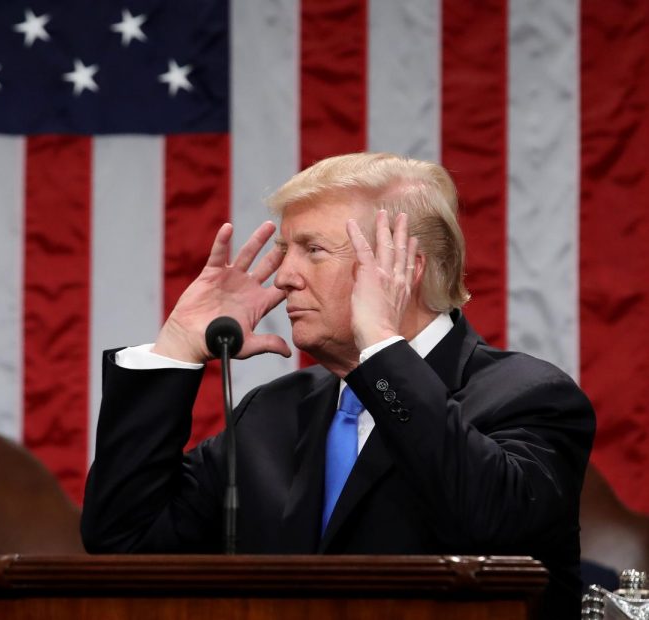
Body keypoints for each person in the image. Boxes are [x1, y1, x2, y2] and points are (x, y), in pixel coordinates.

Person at [81, 152, 595, 619]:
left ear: (403, 269)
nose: (283, 277)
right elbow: (124, 540)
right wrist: (176, 349)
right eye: (285, 249)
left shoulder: (529, 396)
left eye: (313, 250)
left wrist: (382, 347)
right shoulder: (274, 412)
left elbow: (493, 526)